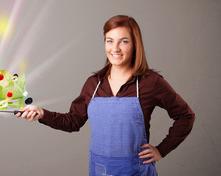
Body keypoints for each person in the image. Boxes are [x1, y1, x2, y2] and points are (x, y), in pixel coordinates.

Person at [16, 15, 195, 176]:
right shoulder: (93, 84)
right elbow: (72, 122)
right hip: (99, 170)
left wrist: (161, 150)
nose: (115, 48)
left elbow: (186, 116)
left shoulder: (151, 82)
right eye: (109, 41)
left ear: (135, 44)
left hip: (136, 170)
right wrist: (41, 113)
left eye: (123, 41)